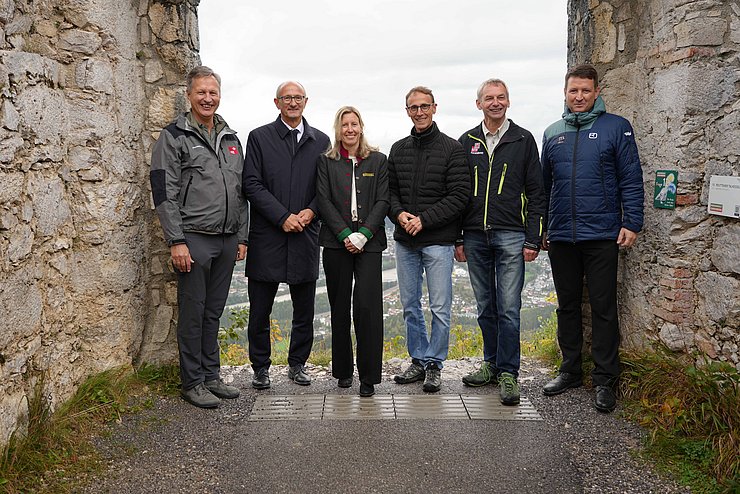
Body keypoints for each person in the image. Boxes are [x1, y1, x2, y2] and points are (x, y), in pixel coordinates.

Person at [540, 63, 644, 413]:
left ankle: (605, 380)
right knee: (567, 306)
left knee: (602, 308)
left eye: (585, 90)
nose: (579, 96)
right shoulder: (553, 132)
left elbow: (631, 178)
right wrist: (541, 229)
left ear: (597, 92)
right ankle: (570, 370)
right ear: (565, 94)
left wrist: (632, 221)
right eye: (573, 91)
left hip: (602, 234)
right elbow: (543, 187)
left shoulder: (617, 128)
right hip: (562, 236)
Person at [150, 66, 246, 408]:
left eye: (213, 93)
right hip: (193, 239)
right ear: (189, 95)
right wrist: (176, 240)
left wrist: (242, 237)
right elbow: (163, 192)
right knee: (193, 312)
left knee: (213, 312)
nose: (208, 98)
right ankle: (192, 382)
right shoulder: (174, 136)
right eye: (202, 92)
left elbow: (241, 191)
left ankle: (211, 376)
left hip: (226, 240)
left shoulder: (231, 138)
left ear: (220, 96)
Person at [456, 79, 546, 406]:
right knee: (485, 307)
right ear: (478, 103)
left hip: (511, 233)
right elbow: (457, 193)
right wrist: (458, 237)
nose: (495, 103)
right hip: (474, 234)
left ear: (508, 101)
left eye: (501, 98)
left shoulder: (523, 139)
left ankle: (508, 371)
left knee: (509, 307)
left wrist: (533, 237)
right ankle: (490, 364)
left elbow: (537, 192)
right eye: (489, 98)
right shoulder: (466, 141)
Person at [243, 81, 330, 389]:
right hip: (268, 235)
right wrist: (282, 217)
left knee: (304, 310)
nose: (293, 103)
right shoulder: (259, 137)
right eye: (287, 98)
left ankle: (298, 364)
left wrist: (311, 211)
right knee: (260, 310)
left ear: (306, 101)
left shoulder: (321, 140)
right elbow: (251, 184)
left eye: (298, 98)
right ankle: (261, 368)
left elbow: (327, 187)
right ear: (276, 102)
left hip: (306, 234)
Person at [389, 86, 470, 393]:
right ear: (407, 111)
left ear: (435, 108)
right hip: (405, 240)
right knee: (410, 305)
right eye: (413, 107)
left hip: (438, 240)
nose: (419, 112)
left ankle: (435, 364)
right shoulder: (397, 149)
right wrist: (400, 215)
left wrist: (424, 220)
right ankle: (418, 360)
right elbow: (390, 193)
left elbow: (460, 196)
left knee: (439, 307)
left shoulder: (452, 149)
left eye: (424, 106)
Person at [316, 106, 389, 397]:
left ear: (361, 127)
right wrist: (346, 234)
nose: (349, 129)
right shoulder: (326, 162)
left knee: (368, 308)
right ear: (338, 129)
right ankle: (343, 371)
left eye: (354, 124)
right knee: (339, 307)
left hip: (370, 242)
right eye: (344, 124)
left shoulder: (379, 160)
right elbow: (323, 200)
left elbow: (384, 200)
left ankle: (369, 376)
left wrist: (364, 234)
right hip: (337, 242)